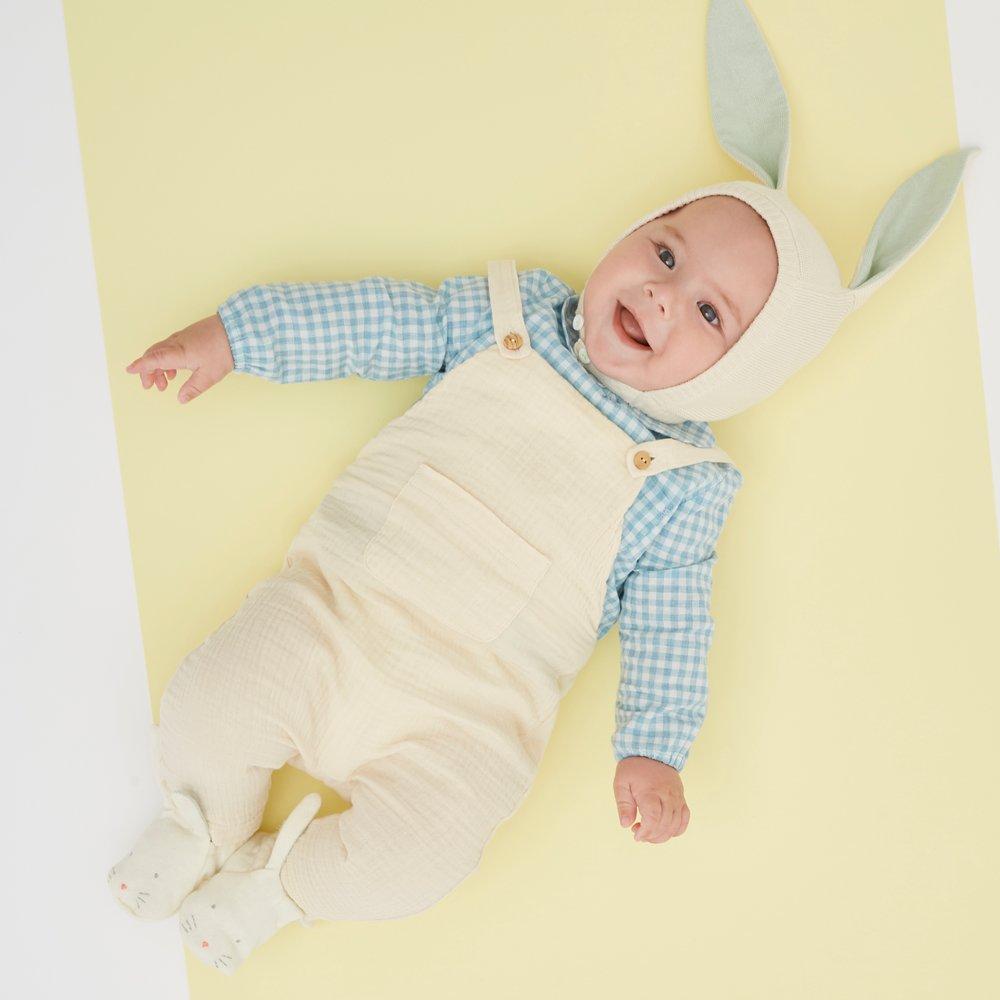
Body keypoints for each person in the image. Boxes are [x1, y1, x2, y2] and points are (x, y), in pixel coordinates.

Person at [108, 0, 976, 976]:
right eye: (663, 251)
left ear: (743, 374)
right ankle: (199, 817)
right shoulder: (508, 317)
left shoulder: (682, 486)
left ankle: (281, 884)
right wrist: (243, 335)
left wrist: (653, 746)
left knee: (420, 861)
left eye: (705, 310)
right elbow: (372, 320)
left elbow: (672, 621)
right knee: (210, 701)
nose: (658, 291)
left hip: (463, 722)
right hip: (332, 614)